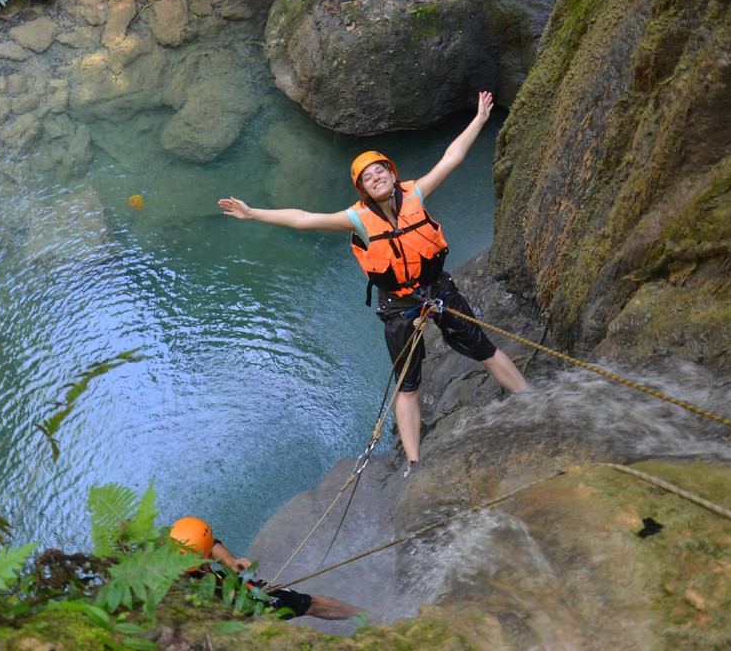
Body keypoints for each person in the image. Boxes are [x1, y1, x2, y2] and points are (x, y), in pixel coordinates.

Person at [218, 91, 528, 476]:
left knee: (483, 348)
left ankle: (528, 399)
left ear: (392, 175)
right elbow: (304, 219)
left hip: (436, 289)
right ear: (363, 189)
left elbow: (452, 157)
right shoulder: (358, 219)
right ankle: (414, 462)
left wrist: (479, 119)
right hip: (400, 304)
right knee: (408, 384)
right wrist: (253, 214)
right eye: (368, 177)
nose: (376, 177)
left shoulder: (416, 194)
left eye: (380, 171)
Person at [169, 516, 362, 620]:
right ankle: (363, 616)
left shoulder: (173, 549)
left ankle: (362, 615)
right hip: (238, 606)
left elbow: (210, 545)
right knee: (310, 604)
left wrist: (230, 561)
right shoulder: (191, 593)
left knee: (308, 602)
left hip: (233, 589)